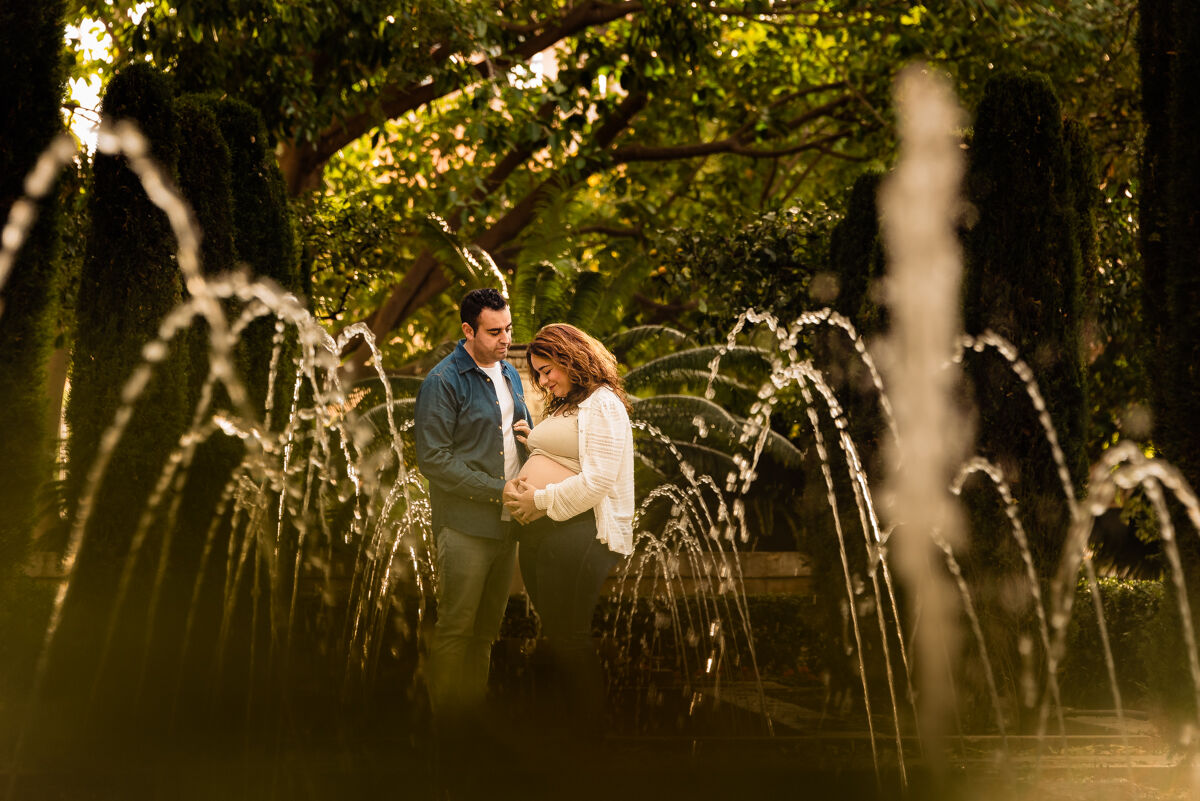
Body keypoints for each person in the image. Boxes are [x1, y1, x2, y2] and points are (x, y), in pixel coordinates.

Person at [502, 323, 635, 742]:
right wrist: (532, 445)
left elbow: (597, 480)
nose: (544, 381)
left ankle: (587, 738)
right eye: (538, 373)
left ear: (570, 357)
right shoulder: (568, 405)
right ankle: (559, 727)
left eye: (547, 370)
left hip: (578, 531)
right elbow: (568, 455)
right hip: (545, 533)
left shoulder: (604, 404)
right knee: (555, 632)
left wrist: (537, 501)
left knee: (570, 633)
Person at [413, 288, 533, 730]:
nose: (506, 340)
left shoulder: (509, 374)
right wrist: (497, 490)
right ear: (468, 330)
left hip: (507, 526)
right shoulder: (442, 382)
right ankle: (445, 732)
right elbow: (435, 461)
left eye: (509, 329)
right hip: (464, 527)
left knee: (485, 634)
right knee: (456, 631)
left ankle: (470, 724)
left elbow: (514, 434)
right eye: (494, 331)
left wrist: (529, 438)